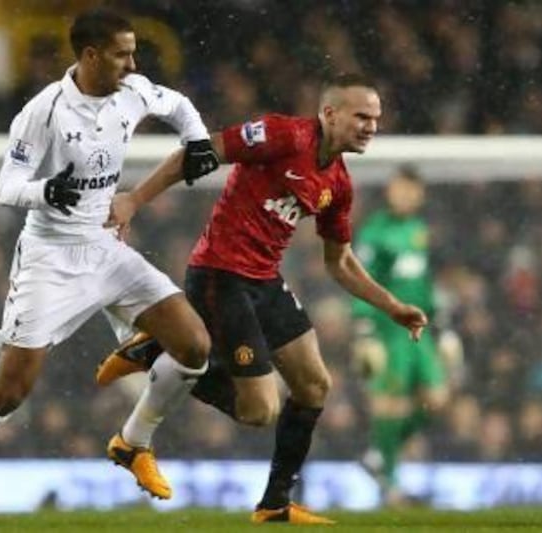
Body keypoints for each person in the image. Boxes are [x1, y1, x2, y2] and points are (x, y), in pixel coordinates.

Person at [0, 8, 220, 527]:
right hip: (50, 259)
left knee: (195, 347)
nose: (133, 62)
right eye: (123, 53)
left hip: (104, 246)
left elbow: (181, 105)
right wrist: (44, 191)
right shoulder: (44, 111)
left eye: (133, 52)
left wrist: (199, 141)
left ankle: (132, 442)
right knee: (8, 393)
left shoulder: (134, 89)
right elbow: (5, 186)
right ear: (90, 55)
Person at [96, 73, 428, 524]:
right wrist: (134, 200)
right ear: (329, 113)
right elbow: (201, 151)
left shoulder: (340, 184)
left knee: (315, 385)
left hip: (264, 281)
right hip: (220, 274)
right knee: (260, 410)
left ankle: (275, 503)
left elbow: (340, 262)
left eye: (376, 118)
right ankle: (160, 352)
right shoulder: (282, 135)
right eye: (361, 116)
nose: (371, 126)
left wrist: (392, 307)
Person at [351, 166, 456, 505]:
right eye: (399, 189)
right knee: (389, 404)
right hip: (388, 330)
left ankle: (379, 454)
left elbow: (426, 283)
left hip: (420, 330)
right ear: (390, 192)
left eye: (411, 190)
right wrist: (365, 330)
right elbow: (361, 281)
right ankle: (390, 483)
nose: (405, 196)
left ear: (419, 194)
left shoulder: (420, 230)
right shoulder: (374, 233)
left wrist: (444, 326)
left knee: (437, 398)